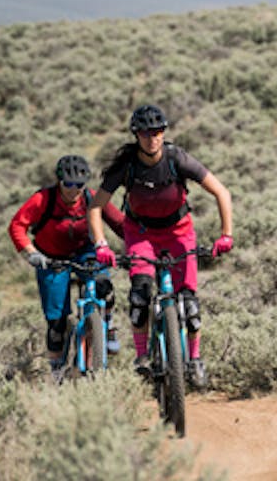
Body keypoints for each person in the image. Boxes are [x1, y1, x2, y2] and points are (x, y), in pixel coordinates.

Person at [88, 104, 234, 389]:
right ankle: (142, 357)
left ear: (163, 132)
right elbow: (96, 207)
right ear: (136, 135)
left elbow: (221, 191)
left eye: (157, 132)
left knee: (189, 305)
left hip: (179, 232)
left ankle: (194, 360)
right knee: (140, 297)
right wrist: (101, 244)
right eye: (145, 133)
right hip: (141, 233)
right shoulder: (127, 166)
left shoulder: (176, 158)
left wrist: (226, 235)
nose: (152, 138)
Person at [8, 155, 127, 382]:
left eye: (79, 185)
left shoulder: (92, 197)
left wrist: (136, 245)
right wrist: (31, 254)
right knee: (57, 323)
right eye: (68, 185)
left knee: (104, 288)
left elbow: (120, 224)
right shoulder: (43, 199)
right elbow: (17, 226)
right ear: (59, 181)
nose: (74, 190)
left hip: (86, 253)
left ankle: (107, 326)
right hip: (50, 258)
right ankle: (56, 371)